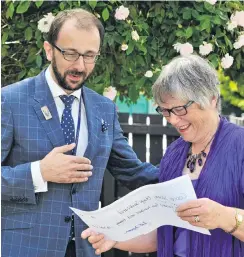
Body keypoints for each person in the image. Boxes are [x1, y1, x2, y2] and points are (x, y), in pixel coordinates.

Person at [1, 8, 159, 257]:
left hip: (85, 248)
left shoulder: (104, 108)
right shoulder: (9, 101)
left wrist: (191, 184)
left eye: (89, 56)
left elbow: (132, 171)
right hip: (23, 248)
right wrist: (39, 172)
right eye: (71, 54)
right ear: (49, 49)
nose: (80, 66)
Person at [82, 55, 244, 256]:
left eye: (180, 109)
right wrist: (115, 237)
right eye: (166, 111)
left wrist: (226, 217)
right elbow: (164, 234)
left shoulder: (240, 146)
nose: (174, 120)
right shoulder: (174, 154)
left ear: (212, 99)